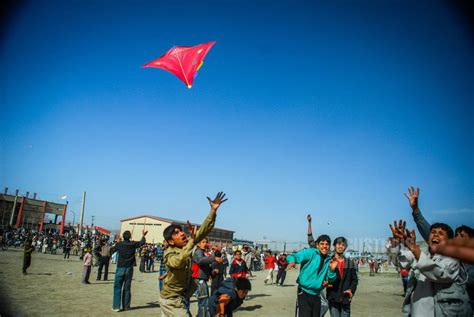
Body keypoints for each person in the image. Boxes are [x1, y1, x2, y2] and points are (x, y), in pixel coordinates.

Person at [159, 192, 227, 317]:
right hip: (172, 301)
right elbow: (178, 261)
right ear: (170, 241)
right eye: (176, 233)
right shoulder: (169, 253)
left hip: (181, 298)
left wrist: (212, 211)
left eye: (180, 231)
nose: (181, 234)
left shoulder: (185, 247)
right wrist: (192, 241)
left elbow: (203, 230)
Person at [391, 219, 471, 316]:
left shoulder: (452, 259)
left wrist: (413, 247)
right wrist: (395, 243)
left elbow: (439, 273)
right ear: (429, 239)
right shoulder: (421, 253)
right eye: (433, 232)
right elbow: (399, 262)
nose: (436, 235)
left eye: (441, 233)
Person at [287, 234, 338, 317]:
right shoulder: (310, 253)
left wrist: (332, 270)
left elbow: (330, 280)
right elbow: (294, 256)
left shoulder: (329, 260)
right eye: (322, 244)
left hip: (317, 295)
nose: (324, 246)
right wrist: (292, 261)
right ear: (317, 245)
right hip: (304, 293)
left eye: (327, 244)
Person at [110, 229, 147, 312]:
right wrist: (143, 235)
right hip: (129, 268)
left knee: (117, 287)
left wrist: (117, 242)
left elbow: (111, 250)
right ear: (130, 237)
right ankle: (126, 306)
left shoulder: (119, 244)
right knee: (127, 288)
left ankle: (116, 306)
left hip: (120, 267)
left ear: (123, 236)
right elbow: (142, 242)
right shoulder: (132, 244)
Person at [326, 237, 358, 317]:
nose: (340, 247)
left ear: (345, 247)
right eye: (338, 244)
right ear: (334, 246)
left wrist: (351, 290)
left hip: (345, 299)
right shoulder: (329, 261)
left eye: (343, 245)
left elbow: (354, 280)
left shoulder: (350, 263)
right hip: (333, 297)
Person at [193, 237, 215, 317]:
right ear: (198, 244)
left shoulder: (203, 252)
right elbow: (200, 260)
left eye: (206, 242)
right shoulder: (198, 251)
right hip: (199, 279)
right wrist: (213, 258)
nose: (205, 243)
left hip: (201, 278)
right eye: (203, 242)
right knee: (203, 300)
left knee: (204, 300)